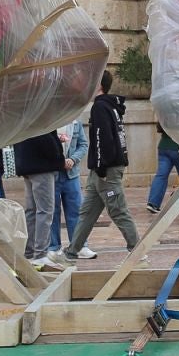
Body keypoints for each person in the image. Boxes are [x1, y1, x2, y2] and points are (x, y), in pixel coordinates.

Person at [59, 71, 140, 262]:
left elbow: (102, 139)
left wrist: (102, 168)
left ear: (98, 85)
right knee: (87, 212)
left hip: (106, 169)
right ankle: (73, 251)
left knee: (118, 210)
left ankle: (136, 250)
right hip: (102, 169)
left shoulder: (100, 107)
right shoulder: (110, 106)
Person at [11, 128, 66, 270]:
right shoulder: (42, 112)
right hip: (41, 165)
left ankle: (29, 252)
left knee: (32, 210)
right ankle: (40, 254)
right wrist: (58, 156)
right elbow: (45, 136)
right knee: (45, 210)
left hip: (27, 163)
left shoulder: (26, 111)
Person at [50, 115, 86, 253]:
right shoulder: (49, 121)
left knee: (76, 210)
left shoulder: (76, 122)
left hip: (71, 174)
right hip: (52, 173)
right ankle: (53, 246)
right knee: (52, 212)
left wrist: (73, 159)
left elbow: (83, 144)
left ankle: (79, 245)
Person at [147, 124, 179, 213]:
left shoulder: (165, 111)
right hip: (178, 148)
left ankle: (153, 203)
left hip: (164, 146)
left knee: (161, 175)